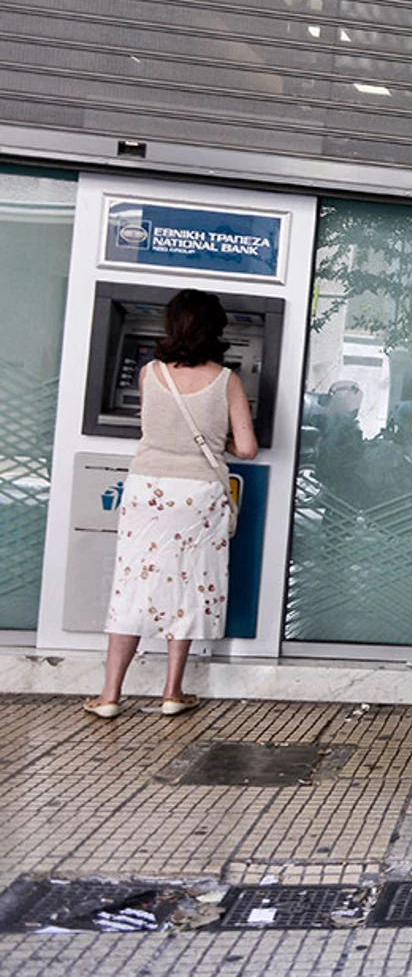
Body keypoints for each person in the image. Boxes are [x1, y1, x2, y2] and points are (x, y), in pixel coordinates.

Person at [85, 290, 258, 719]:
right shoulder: (227, 381)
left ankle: (109, 696)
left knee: (131, 585)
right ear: (215, 331)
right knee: (189, 585)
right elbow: (249, 448)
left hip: (147, 491)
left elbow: (155, 427)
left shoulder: (151, 373)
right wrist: (223, 441)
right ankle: (172, 692)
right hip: (197, 496)